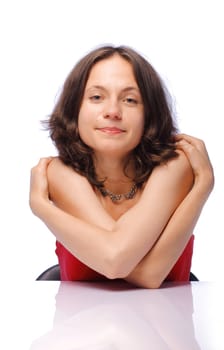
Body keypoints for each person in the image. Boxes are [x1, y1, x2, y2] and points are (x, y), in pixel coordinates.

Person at [29, 45, 214, 288]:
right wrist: (41, 207)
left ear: (149, 113)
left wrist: (203, 186)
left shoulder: (175, 166)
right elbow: (118, 261)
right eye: (96, 97)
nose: (113, 111)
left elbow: (138, 272)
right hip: (80, 324)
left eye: (130, 100)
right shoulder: (60, 173)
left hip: (164, 322)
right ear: (75, 109)